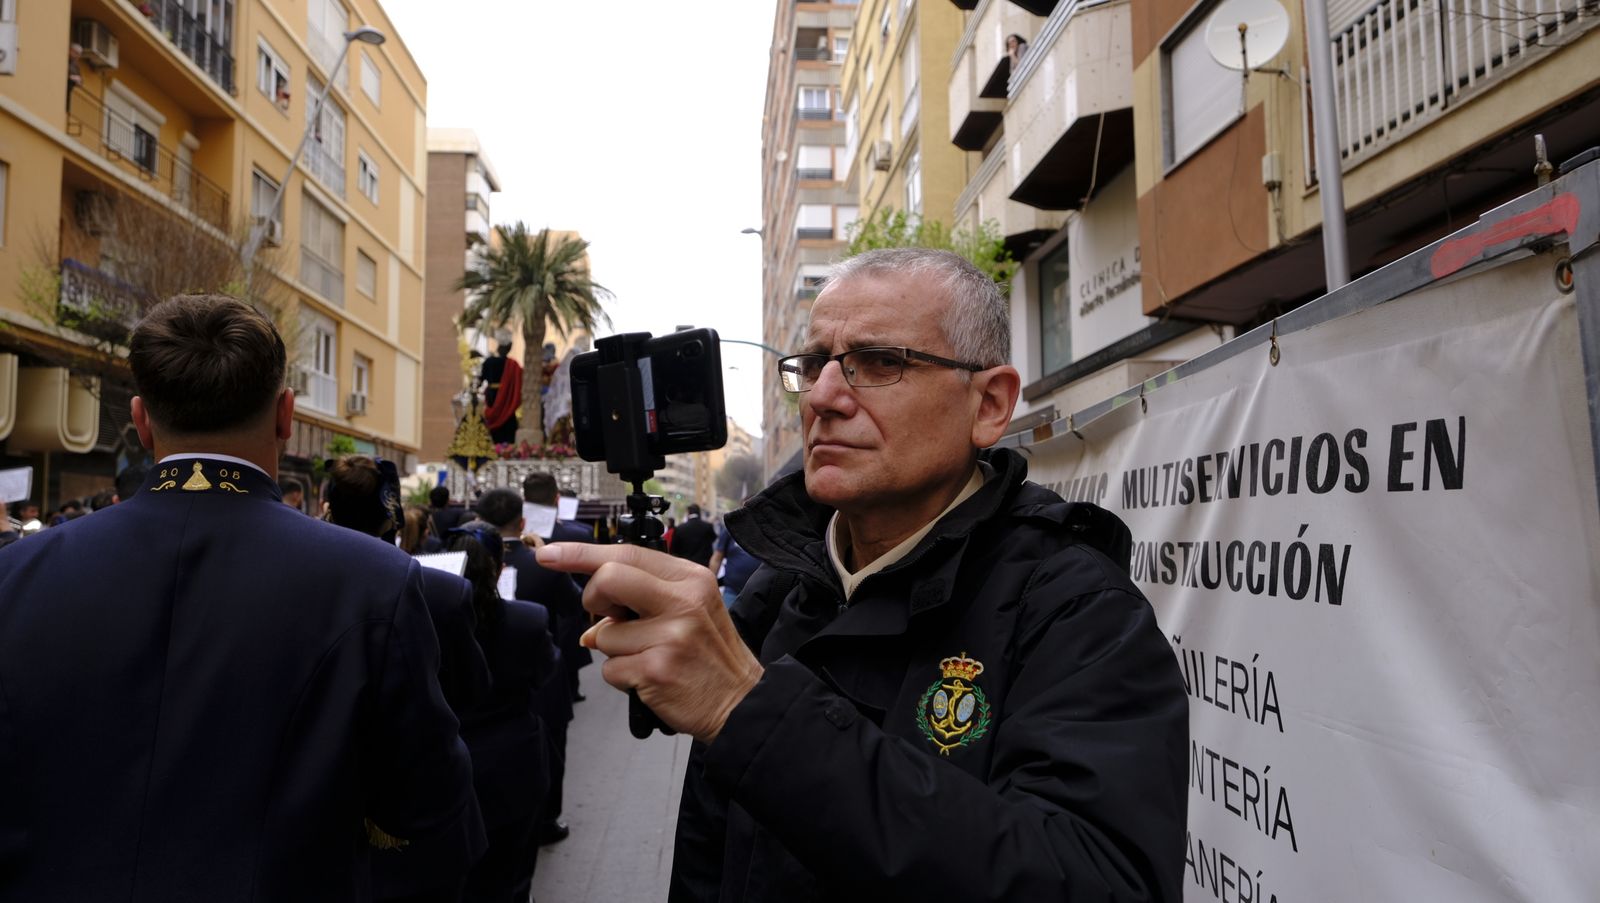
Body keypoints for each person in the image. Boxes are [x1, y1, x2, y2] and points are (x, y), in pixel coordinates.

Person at [535, 249, 1188, 901]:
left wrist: (750, 711)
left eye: (879, 362)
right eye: (814, 363)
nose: (822, 396)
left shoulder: (1078, 609)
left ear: (989, 405)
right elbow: (710, 854)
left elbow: (1097, 880)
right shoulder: (777, 590)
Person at [0, 294, 483, 900]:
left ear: (142, 419)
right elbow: (433, 813)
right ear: (286, 415)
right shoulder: (375, 581)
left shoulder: (15, 573)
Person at [323, 454, 495, 903]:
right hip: (425, 819)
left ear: (327, 508)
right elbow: (473, 691)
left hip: (325, 818)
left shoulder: (289, 582)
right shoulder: (442, 590)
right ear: (392, 514)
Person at [445, 518, 559, 903]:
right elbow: (545, 672)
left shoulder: (426, 618)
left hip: (448, 762)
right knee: (511, 877)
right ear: (499, 567)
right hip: (515, 763)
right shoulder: (528, 619)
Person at [476, 488, 584, 845]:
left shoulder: (463, 558)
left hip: (478, 673)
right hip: (540, 673)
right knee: (552, 747)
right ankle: (546, 820)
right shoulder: (542, 562)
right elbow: (575, 606)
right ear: (522, 522)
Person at [707, 512, 760, 608]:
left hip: (759, 593)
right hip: (732, 590)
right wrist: (710, 583)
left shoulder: (767, 530)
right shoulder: (732, 528)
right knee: (727, 621)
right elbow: (717, 557)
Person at [669, 503, 716, 568]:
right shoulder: (708, 527)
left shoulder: (680, 528)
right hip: (703, 566)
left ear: (688, 513)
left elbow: (673, 549)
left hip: (685, 565)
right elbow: (713, 539)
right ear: (699, 512)